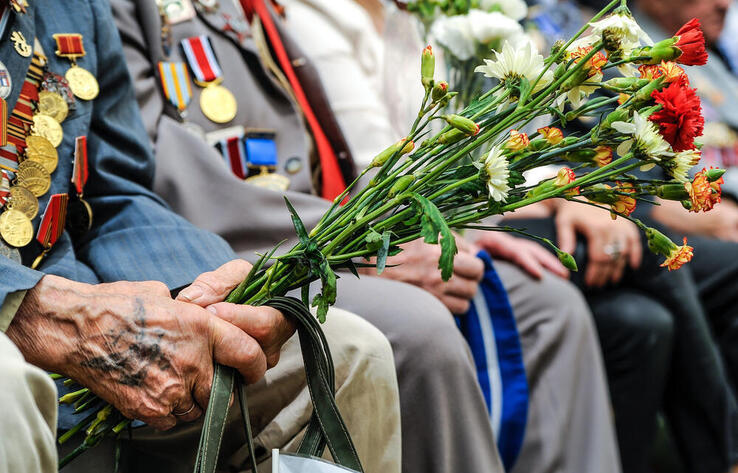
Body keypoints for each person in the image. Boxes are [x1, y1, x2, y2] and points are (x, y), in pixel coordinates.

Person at [113, 0, 622, 471]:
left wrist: (435, 227)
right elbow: (165, 174)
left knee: (549, 304)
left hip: (309, 229)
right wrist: (367, 245)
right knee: (421, 330)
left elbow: (323, 159)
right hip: (234, 250)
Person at [280, 1, 738, 472]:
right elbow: (391, 168)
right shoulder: (317, 15)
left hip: (486, 204)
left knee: (641, 323)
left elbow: (500, 139)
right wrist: (560, 188)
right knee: (646, 254)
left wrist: (564, 189)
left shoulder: (412, 14)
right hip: (436, 221)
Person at [0, 1, 402, 472]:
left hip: (81, 304)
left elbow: (111, 192)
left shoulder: (70, 8)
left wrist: (206, 295)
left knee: (348, 352)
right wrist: (43, 315)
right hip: (25, 329)